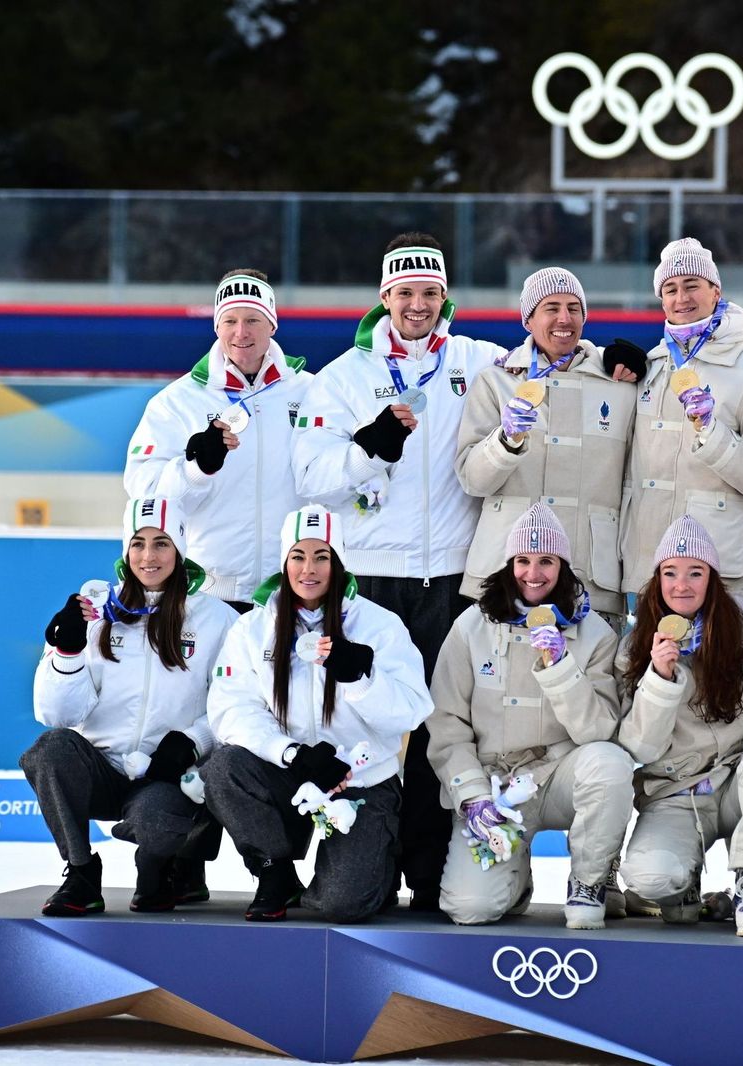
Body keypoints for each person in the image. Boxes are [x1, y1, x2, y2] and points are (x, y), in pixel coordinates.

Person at [292, 233, 506, 910]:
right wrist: (366, 450)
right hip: (375, 580)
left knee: (444, 730)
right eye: (405, 292)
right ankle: (363, 864)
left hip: (453, 576)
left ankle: (431, 869)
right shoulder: (343, 376)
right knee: (368, 724)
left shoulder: (480, 363)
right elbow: (309, 476)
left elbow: (552, 369)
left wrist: (616, 370)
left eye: (430, 292)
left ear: (446, 297)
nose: (418, 304)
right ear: (384, 297)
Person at [202, 505, 432, 922]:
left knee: (340, 905)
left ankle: (377, 860)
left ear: (339, 562)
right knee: (223, 767)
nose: (309, 569)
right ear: (283, 562)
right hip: (289, 773)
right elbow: (231, 708)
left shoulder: (380, 625)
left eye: (322, 557)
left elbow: (413, 711)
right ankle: (275, 872)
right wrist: (289, 752)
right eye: (298, 556)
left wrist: (362, 679)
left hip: (359, 780)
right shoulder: (253, 629)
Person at [24, 497, 238, 916]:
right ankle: (82, 871)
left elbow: (235, 704)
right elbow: (56, 715)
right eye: (138, 544)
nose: (148, 556)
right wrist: (66, 652)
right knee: (49, 749)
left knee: (157, 826)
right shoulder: (95, 613)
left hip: (166, 774)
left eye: (161, 543)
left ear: (180, 550)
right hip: (102, 769)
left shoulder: (217, 619)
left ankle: (157, 868)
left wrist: (193, 741)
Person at [427, 504, 633, 928]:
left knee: (609, 765)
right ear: (509, 564)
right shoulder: (470, 627)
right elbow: (446, 724)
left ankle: (588, 881)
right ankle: (514, 878)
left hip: (559, 772)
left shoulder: (595, 633)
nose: (533, 573)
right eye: (523, 560)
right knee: (471, 908)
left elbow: (598, 731)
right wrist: (473, 794)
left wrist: (560, 667)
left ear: (563, 567)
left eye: (546, 561)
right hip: (496, 785)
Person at [616, 516, 743, 936]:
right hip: (676, 792)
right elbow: (639, 747)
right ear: (656, 579)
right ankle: (684, 883)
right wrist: (659, 680)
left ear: (712, 579)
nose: (682, 585)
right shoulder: (635, 644)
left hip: (739, 781)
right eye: (670, 573)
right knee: (651, 877)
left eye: (695, 572)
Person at [455, 267, 643, 626]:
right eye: (551, 307)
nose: (564, 318)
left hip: (589, 574)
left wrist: (641, 364)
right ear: (528, 320)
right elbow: (472, 480)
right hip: (507, 576)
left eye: (574, 308)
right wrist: (505, 442)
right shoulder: (496, 381)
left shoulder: (619, 382)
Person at [124, 269, 312, 611]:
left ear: (273, 324)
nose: (241, 332)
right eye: (230, 321)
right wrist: (195, 469)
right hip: (210, 596)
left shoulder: (313, 392)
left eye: (253, 319)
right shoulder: (176, 402)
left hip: (294, 593)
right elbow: (144, 496)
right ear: (216, 327)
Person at [621, 238, 743, 608]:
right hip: (650, 572)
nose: (681, 297)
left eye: (692, 285)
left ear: (716, 291)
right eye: (671, 288)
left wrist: (713, 435)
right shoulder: (650, 367)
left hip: (726, 578)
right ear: (661, 300)